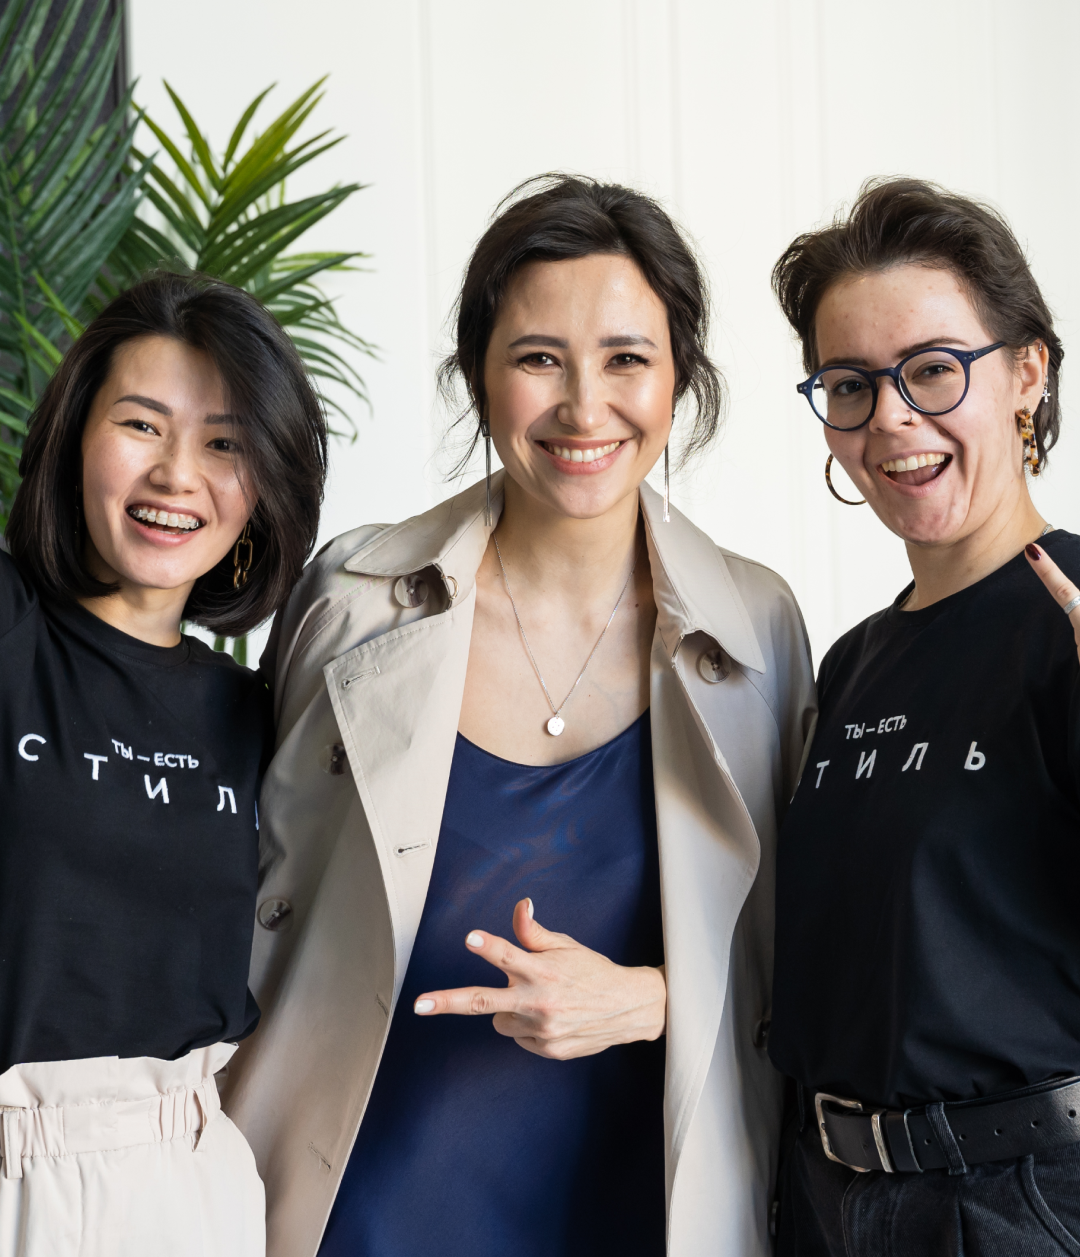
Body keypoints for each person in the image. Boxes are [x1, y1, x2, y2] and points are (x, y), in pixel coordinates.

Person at [223, 174, 815, 1257]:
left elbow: (807, 954)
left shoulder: (758, 630)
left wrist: (656, 1001)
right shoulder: (352, 600)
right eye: (540, 358)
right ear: (478, 376)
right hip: (355, 1215)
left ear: (680, 377)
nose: (585, 408)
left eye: (627, 359)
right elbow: (250, 896)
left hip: (639, 1216)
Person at [768, 176, 1080, 1256]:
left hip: (1019, 1204)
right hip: (827, 1195)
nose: (892, 417)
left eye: (934, 369)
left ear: (1027, 374)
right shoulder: (853, 661)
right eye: (850, 384)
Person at [0, 272, 326, 1257]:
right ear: (75, 438)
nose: (177, 474)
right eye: (141, 425)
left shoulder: (257, 711)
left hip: (187, 1185)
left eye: (225, 444)